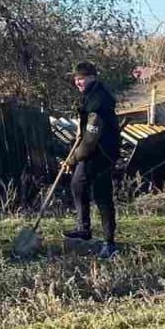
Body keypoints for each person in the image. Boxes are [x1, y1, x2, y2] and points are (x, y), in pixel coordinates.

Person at [63, 61, 120, 260]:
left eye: (82, 78)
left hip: (102, 152)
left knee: (102, 195)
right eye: (76, 78)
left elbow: (89, 140)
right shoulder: (89, 97)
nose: (78, 82)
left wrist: (72, 160)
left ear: (93, 77)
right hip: (93, 151)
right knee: (78, 184)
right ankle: (83, 228)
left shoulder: (100, 101)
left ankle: (109, 243)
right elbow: (84, 135)